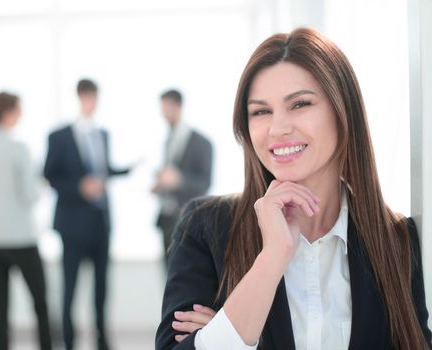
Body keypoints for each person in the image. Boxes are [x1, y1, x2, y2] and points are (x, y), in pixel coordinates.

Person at [155, 28, 432, 350]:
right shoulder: (206, 227)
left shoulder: (397, 241)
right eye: (261, 111)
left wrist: (226, 330)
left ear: (344, 111)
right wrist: (272, 257)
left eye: (300, 104)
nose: (278, 128)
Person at [44, 79, 131, 350]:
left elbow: (104, 169)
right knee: (70, 287)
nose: (91, 103)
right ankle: (69, 341)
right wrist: (80, 187)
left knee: (101, 288)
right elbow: (50, 175)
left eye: (95, 98)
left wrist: (126, 170)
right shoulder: (59, 136)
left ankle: (102, 341)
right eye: (87, 97)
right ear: (80, 98)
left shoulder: (103, 134)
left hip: (100, 223)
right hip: (72, 224)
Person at [0, 92, 52, 350]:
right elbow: (30, 195)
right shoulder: (20, 149)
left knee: (0, 308)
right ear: (8, 113)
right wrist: (42, 183)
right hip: (22, 237)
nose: (21, 115)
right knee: (40, 303)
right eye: (19, 110)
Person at [152, 89, 213, 267]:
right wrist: (160, 185)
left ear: (177, 107)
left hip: (188, 222)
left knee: (187, 280)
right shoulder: (168, 140)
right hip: (166, 220)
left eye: (166, 109)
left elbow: (204, 183)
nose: (163, 115)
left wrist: (178, 180)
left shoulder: (202, 142)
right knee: (169, 279)